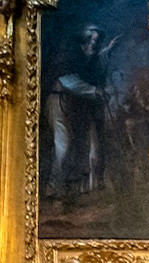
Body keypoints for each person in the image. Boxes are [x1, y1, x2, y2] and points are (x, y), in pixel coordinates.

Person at [44, 25, 119, 198]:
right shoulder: (69, 56)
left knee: (75, 143)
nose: (95, 44)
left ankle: (65, 186)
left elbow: (90, 66)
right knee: (63, 145)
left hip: (70, 104)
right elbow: (69, 81)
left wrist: (107, 50)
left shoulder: (84, 56)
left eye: (97, 41)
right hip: (58, 102)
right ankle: (52, 187)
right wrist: (95, 91)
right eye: (92, 40)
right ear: (84, 40)